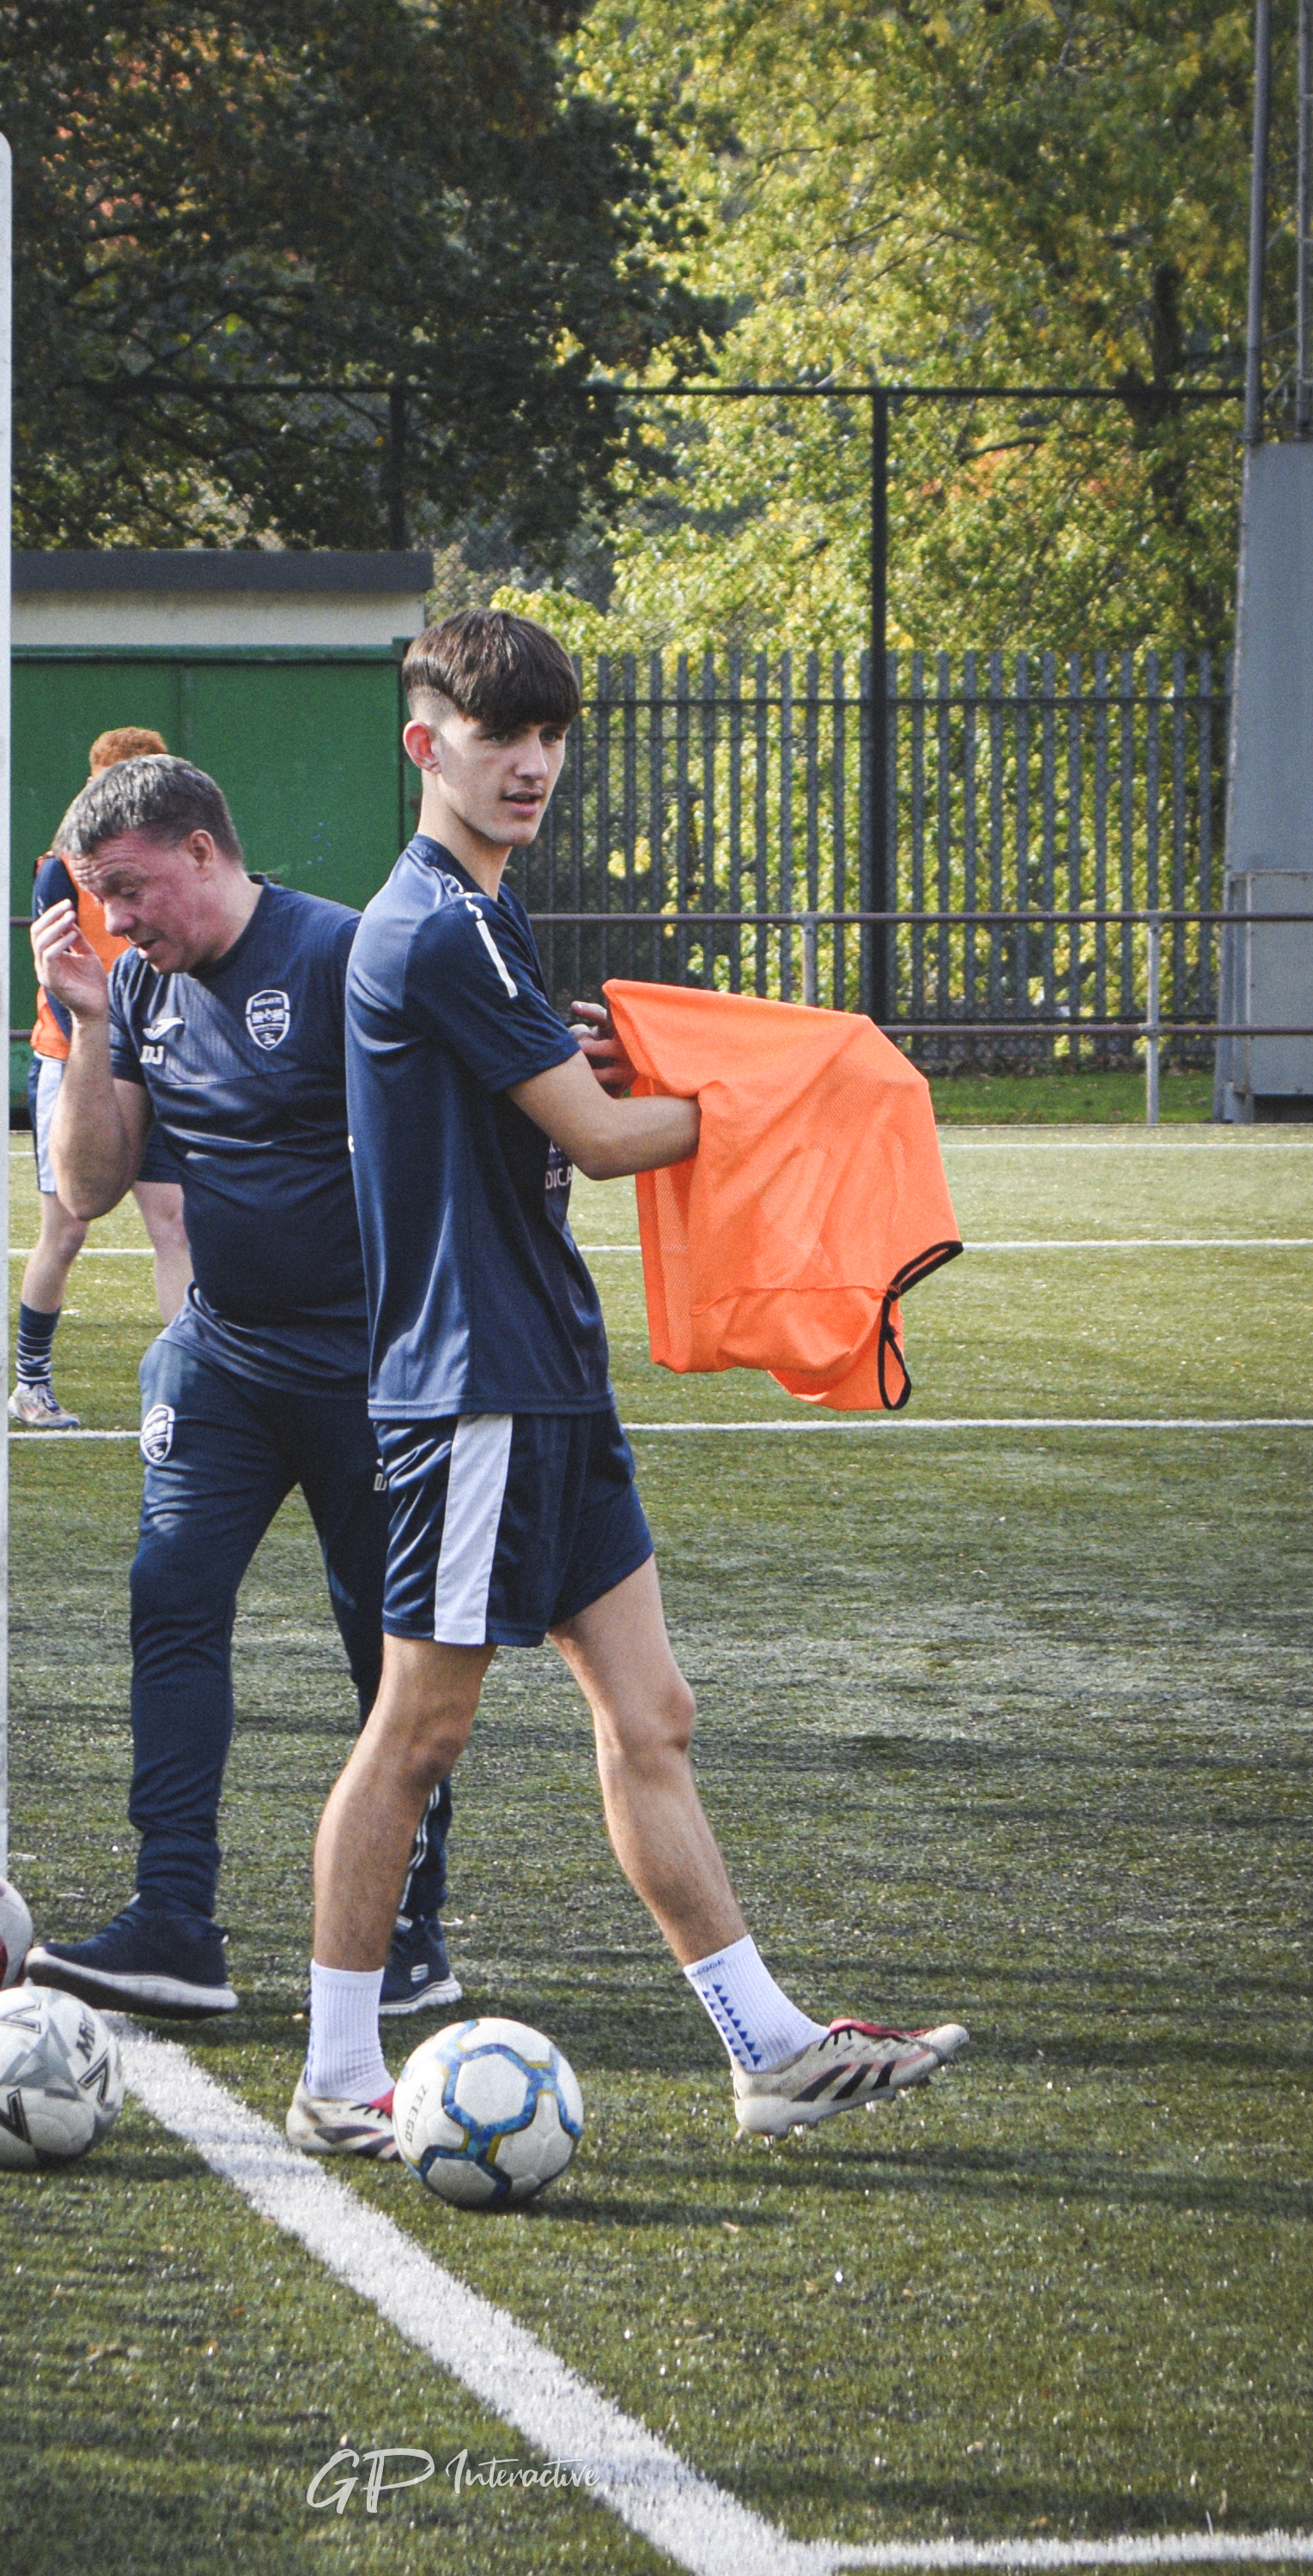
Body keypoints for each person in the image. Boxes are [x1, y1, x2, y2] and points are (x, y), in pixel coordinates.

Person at [288, 609, 969, 2155]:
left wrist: (662, 1079)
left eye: (549, 737)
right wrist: (798, 1087)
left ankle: (768, 2050)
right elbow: (602, 1138)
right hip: (473, 1389)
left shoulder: (485, 918)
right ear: (426, 745)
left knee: (651, 1713)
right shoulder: (435, 924)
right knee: (418, 1732)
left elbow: (556, 1113)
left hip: (547, 1378)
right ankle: (337, 2073)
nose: (529, 764)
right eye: (496, 735)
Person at [20, 755, 456, 2020]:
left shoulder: (344, 957)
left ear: (204, 852)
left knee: (396, 1655)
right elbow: (91, 1187)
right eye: (99, 896)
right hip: (222, 1355)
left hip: (371, 1373)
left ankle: (408, 1937)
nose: (117, 918)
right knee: (169, 1598)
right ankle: (172, 1921)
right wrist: (92, 1024)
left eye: (130, 888)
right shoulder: (141, 987)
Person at [12, 726, 192, 1431]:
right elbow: (55, 975)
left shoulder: (172, 858)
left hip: (151, 1056)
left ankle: (191, 1378)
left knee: (172, 1223)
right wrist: (101, 1032)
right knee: (67, 1229)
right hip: (74, 1058)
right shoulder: (61, 868)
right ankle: (30, 1381)